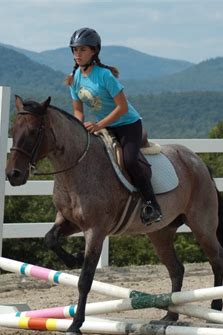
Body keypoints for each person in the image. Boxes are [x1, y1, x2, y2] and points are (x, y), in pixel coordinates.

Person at [65, 27, 162, 225]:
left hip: (128, 125)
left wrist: (99, 124)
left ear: (94, 51)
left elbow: (122, 107)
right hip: (104, 127)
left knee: (130, 161)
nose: (77, 54)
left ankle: (152, 205)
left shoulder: (105, 76)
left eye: (82, 50)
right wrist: (80, 125)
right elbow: (78, 111)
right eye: (75, 50)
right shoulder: (74, 78)